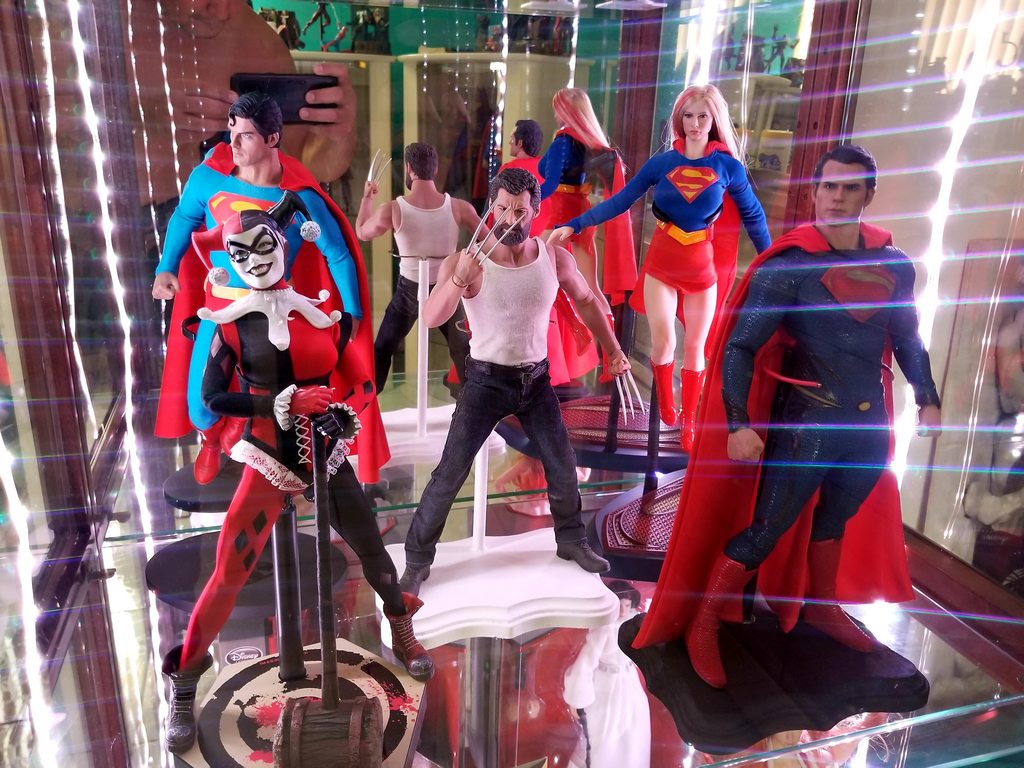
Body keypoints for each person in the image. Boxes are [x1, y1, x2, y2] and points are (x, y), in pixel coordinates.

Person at [632, 144, 942, 689]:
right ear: (815, 192)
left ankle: (822, 606)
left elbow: (908, 339)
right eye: (828, 186)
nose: (837, 197)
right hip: (808, 427)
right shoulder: (791, 266)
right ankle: (704, 620)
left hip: (868, 428)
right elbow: (740, 347)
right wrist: (737, 423)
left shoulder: (893, 264)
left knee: (836, 519)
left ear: (869, 194)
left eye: (850, 187)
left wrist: (927, 396)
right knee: (766, 530)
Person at [160, 193, 432, 755]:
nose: (255, 260)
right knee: (229, 570)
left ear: (283, 245)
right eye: (240, 252)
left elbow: (356, 379)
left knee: (374, 552)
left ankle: (402, 629)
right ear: (231, 259)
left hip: (326, 452)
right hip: (267, 456)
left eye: (263, 245)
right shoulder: (231, 326)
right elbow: (212, 398)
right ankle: (185, 680)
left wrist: (339, 411)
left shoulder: (322, 315)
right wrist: (277, 404)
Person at [398, 168, 633, 595]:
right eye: (503, 208)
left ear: (535, 211)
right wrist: (458, 279)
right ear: (492, 208)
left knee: (562, 464)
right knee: (449, 473)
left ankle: (571, 540)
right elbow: (431, 317)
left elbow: (587, 301)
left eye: (520, 211)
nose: (510, 218)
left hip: (536, 380)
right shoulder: (468, 260)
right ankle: (416, 560)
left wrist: (613, 349)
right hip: (485, 382)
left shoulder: (553, 258)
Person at [152, 93, 387, 484]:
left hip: (278, 315)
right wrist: (166, 267)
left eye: (245, 135)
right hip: (223, 311)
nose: (233, 143)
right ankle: (212, 441)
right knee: (201, 405)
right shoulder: (208, 178)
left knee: (282, 401)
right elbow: (184, 218)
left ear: (272, 138)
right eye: (231, 131)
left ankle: (255, 450)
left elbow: (338, 253)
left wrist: (354, 312)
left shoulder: (299, 197)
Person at [550, 84, 771, 451]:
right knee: (664, 342)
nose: (695, 123)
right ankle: (667, 403)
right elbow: (621, 201)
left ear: (714, 119)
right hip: (662, 265)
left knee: (696, 346)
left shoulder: (726, 167)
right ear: (679, 119)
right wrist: (575, 224)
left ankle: (689, 418)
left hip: (702, 270)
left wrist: (770, 261)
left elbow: (754, 216)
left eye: (703, 116)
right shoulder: (663, 164)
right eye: (689, 116)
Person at [356, 142, 480, 391]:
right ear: (435, 169)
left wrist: (367, 198)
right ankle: (475, 403)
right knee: (462, 351)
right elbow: (490, 241)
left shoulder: (392, 209)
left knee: (382, 349)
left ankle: (367, 404)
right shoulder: (459, 207)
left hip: (411, 291)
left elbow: (361, 232)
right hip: (447, 288)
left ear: (409, 169)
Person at [538, 88, 637, 379]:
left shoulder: (563, 141)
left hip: (559, 215)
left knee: (535, 272)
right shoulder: (585, 141)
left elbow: (550, 183)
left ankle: (579, 341)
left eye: (558, 107)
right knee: (590, 288)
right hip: (579, 212)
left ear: (566, 111)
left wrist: (526, 198)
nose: (555, 113)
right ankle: (612, 357)